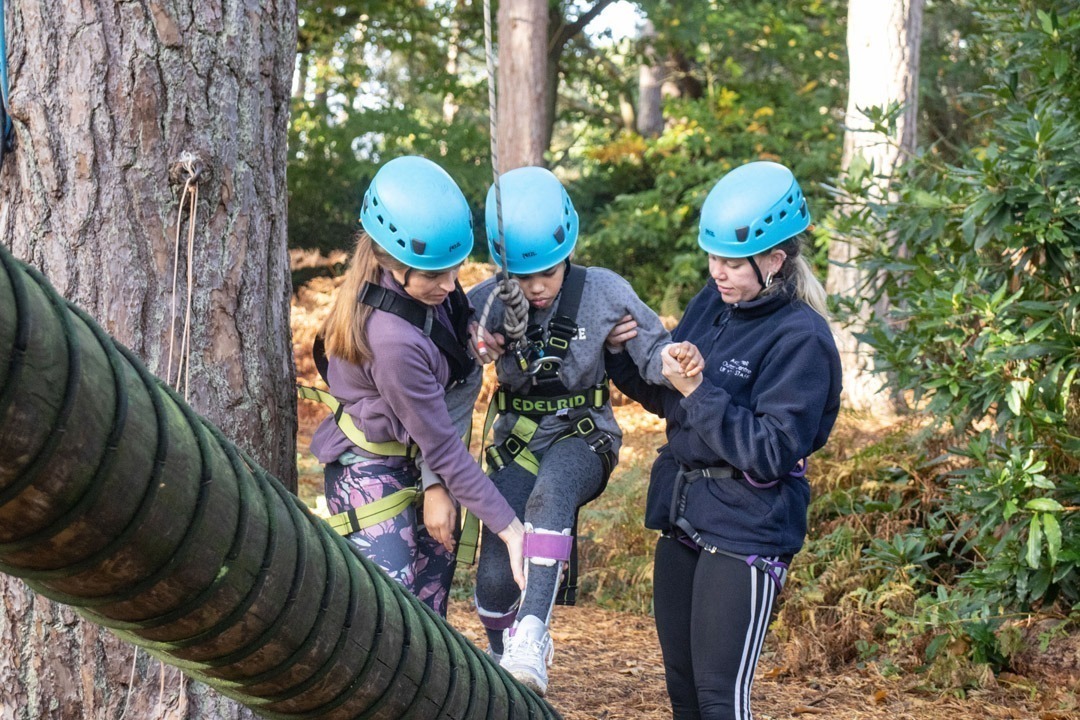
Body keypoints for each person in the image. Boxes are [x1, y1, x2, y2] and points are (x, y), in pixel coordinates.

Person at [604, 160, 842, 720]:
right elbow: (672, 399)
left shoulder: (802, 339)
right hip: (685, 514)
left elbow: (771, 448)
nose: (717, 272)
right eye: (712, 258)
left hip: (748, 526)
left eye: (732, 263)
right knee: (683, 691)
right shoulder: (715, 303)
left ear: (774, 261)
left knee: (719, 698)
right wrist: (622, 355)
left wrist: (698, 386)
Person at [465, 166, 702, 696]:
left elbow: (651, 350)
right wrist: (474, 347)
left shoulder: (604, 291)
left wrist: (673, 357)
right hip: (517, 441)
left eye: (546, 272)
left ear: (568, 247)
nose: (537, 287)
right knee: (495, 578)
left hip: (583, 435)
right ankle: (504, 658)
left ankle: (533, 635)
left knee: (550, 500)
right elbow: (450, 345)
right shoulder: (487, 300)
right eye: (522, 278)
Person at [306, 155, 525, 619]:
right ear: (390, 261)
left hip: (415, 458)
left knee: (430, 616)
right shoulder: (392, 339)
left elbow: (448, 352)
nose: (449, 285)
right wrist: (509, 529)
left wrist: (471, 332)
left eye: (456, 269)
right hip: (370, 470)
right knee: (391, 618)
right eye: (433, 275)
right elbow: (443, 446)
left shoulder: (428, 287)